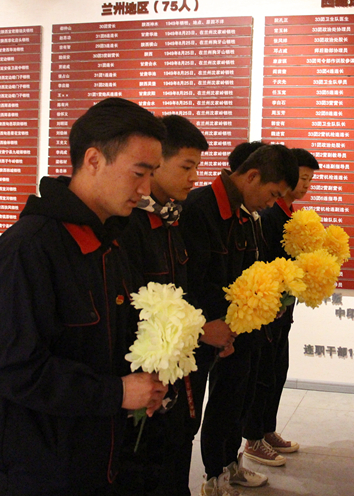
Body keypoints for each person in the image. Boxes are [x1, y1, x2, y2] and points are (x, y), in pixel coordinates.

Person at [0, 97, 169, 496]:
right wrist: (118, 392)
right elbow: (14, 369)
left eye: (152, 174)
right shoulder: (27, 250)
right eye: (138, 173)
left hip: (98, 456)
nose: (145, 189)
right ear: (93, 160)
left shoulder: (110, 242)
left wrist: (147, 383)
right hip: (41, 470)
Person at [180, 144, 298, 496]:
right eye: (272, 193)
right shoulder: (199, 208)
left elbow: (248, 273)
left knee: (234, 400)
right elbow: (191, 281)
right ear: (252, 176)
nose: (271, 203)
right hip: (204, 331)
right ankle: (212, 476)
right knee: (187, 420)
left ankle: (227, 466)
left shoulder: (246, 215)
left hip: (236, 330)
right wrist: (212, 326)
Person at [114, 114, 218, 496]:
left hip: (172, 378)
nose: (194, 178)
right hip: (141, 383)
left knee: (174, 463)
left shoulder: (172, 219)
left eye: (197, 168)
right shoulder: (128, 226)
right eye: (186, 167)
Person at [242, 148, 319, 467]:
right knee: (261, 374)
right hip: (266, 307)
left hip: (283, 307)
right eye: (302, 178)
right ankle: (253, 438)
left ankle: (266, 429)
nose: (306, 185)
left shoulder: (291, 215)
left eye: (310, 180)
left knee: (277, 370)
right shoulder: (270, 214)